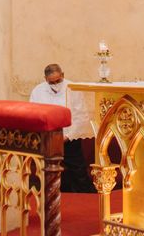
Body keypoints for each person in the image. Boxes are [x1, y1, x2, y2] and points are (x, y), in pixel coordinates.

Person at [29, 64, 95, 193]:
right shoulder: (37, 91)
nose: (56, 84)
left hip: (69, 139)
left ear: (63, 75)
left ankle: (86, 197)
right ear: (45, 79)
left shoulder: (73, 89)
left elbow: (80, 116)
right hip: (47, 139)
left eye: (58, 81)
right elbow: (33, 115)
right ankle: (45, 194)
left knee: (78, 171)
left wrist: (67, 137)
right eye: (51, 82)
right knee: (44, 169)